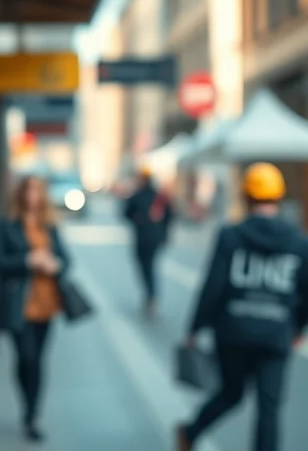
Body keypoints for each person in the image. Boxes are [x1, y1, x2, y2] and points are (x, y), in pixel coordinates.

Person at [176, 163, 308, 451]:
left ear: (246, 196)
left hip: (233, 331)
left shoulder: (230, 236)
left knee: (231, 393)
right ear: (280, 196)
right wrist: (298, 328)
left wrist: (195, 327)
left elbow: (213, 285)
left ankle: (191, 431)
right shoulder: (299, 242)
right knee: (269, 410)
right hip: (276, 334)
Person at [0, 175, 71, 443]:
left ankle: (33, 414)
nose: (32, 197)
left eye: (37, 191)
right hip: (19, 304)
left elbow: (66, 259)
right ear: (20, 194)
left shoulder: (48, 224)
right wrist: (28, 260)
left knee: (38, 360)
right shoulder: (6, 225)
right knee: (27, 358)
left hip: (47, 302)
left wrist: (55, 264)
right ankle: (29, 410)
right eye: (28, 191)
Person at [124, 165, 174, 318]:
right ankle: (151, 294)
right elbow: (169, 217)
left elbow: (126, 213)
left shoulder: (139, 196)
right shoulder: (157, 196)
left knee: (146, 267)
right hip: (154, 238)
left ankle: (150, 294)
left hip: (143, 238)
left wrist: (138, 219)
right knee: (149, 266)